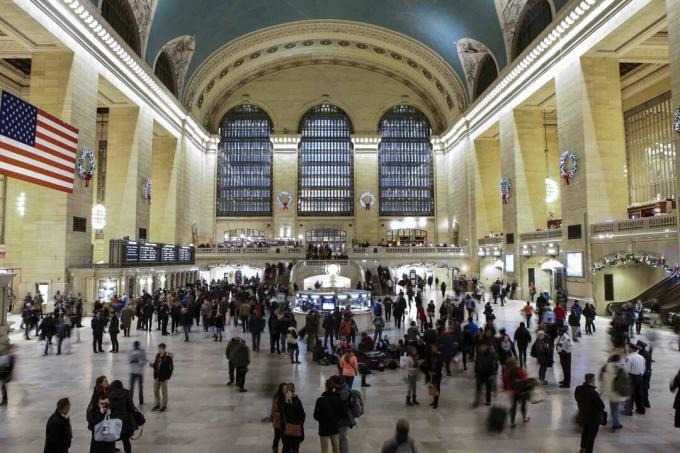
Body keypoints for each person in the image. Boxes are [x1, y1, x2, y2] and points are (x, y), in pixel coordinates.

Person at [574, 373, 605, 453]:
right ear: (593, 381)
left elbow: (577, 398)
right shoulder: (594, 393)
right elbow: (601, 406)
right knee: (591, 436)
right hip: (594, 418)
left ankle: (583, 447)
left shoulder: (578, 388)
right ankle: (588, 450)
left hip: (583, 415)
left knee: (585, 432)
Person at [314, 379, 345, 453]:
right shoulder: (338, 399)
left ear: (326, 387)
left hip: (323, 428)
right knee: (336, 449)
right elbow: (344, 413)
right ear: (333, 388)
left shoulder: (320, 400)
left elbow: (316, 415)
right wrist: (336, 418)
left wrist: (322, 419)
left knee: (324, 450)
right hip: (334, 427)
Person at [598, 354, 627, 430]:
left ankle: (615, 420)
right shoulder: (621, 367)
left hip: (610, 391)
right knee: (617, 407)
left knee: (614, 407)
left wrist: (601, 391)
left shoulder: (605, 367)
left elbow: (601, 380)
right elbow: (626, 380)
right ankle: (616, 423)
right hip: (620, 391)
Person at [108, 380, 137, 453]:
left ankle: (113, 449)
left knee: (112, 439)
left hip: (113, 421)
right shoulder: (126, 393)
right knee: (126, 440)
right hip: (125, 421)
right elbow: (131, 407)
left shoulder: (109, 395)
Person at [502, 357, 530, 427]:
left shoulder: (506, 371)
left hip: (513, 392)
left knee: (513, 406)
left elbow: (504, 382)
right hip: (521, 391)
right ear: (515, 363)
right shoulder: (519, 370)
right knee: (523, 405)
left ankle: (512, 422)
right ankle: (524, 418)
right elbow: (525, 379)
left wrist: (506, 390)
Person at [279, 383, 305, 453]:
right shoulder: (297, 400)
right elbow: (302, 415)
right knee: (295, 449)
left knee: (286, 448)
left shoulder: (283, 401)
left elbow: (281, 416)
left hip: (286, 430)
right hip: (296, 429)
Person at [622, 343, 645, 415]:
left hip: (631, 377)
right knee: (639, 394)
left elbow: (626, 370)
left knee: (630, 394)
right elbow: (644, 368)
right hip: (639, 377)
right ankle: (641, 409)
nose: (628, 349)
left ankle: (628, 411)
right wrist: (640, 374)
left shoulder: (629, 358)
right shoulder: (641, 357)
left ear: (632, 349)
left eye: (628, 348)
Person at [150, 343, 173, 412]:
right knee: (156, 391)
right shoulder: (157, 355)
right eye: (158, 349)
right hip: (157, 376)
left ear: (163, 349)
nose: (158, 350)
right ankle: (157, 404)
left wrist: (167, 376)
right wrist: (152, 365)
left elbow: (171, 368)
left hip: (164, 378)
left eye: (160, 349)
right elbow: (156, 364)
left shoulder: (168, 357)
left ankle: (164, 405)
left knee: (164, 392)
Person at [473, 342, 498, 407]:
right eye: (481, 347)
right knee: (478, 389)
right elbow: (476, 363)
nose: (481, 348)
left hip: (488, 375)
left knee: (488, 389)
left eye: (483, 346)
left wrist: (493, 374)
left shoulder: (491, 354)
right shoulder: (479, 354)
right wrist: (476, 371)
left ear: (487, 347)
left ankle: (488, 401)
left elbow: (494, 365)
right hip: (479, 375)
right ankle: (477, 401)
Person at [128, 341, 146, 406]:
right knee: (131, 387)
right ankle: (130, 400)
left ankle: (141, 400)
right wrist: (131, 361)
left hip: (140, 372)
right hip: (132, 372)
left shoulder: (142, 351)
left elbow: (145, 360)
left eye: (137, 346)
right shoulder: (131, 351)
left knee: (140, 387)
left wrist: (140, 362)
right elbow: (128, 360)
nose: (136, 347)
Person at [271, 383, 288, 453]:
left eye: (286, 388)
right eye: (284, 388)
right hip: (278, 422)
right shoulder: (277, 398)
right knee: (277, 437)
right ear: (281, 389)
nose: (285, 390)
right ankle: (275, 450)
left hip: (284, 423)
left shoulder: (287, 397)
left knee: (285, 439)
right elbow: (274, 411)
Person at [426, 343, 443, 409]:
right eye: (432, 347)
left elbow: (440, 365)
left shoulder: (440, 355)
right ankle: (434, 400)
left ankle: (436, 402)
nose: (432, 349)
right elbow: (428, 363)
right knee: (433, 387)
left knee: (437, 388)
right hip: (432, 374)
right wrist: (429, 370)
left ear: (437, 348)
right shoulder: (431, 355)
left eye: (434, 347)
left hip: (438, 374)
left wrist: (435, 372)